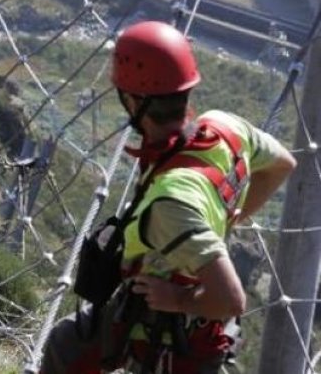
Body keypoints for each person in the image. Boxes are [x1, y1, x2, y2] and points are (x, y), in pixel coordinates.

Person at [40, 21, 296, 373]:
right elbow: (283, 164)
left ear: (132, 101)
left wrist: (177, 298)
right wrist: (228, 216)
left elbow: (231, 299)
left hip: (166, 336)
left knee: (67, 350)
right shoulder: (225, 127)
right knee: (66, 342)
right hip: (190, 326)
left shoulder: (170, 205)